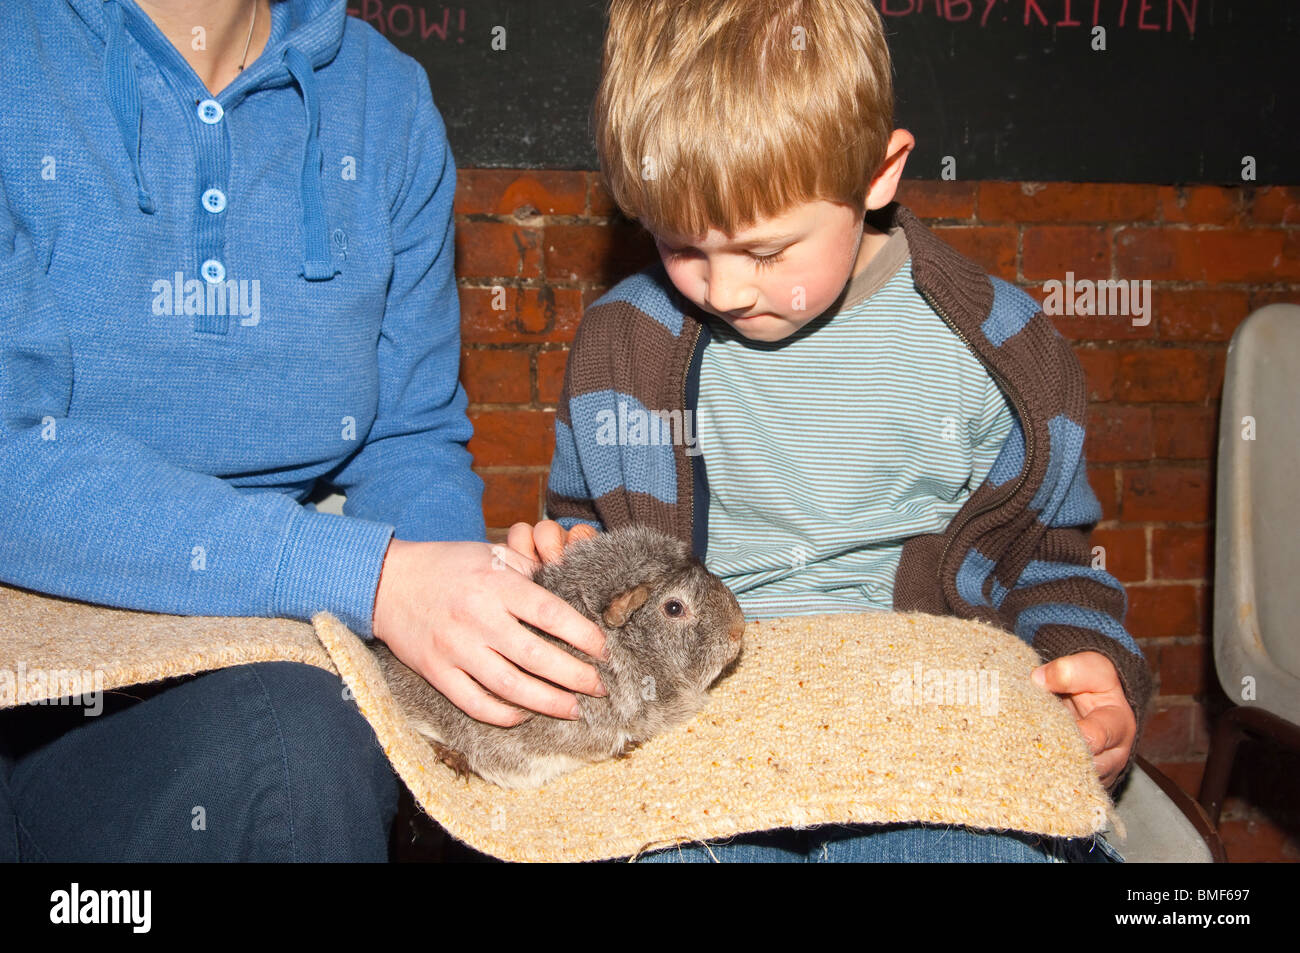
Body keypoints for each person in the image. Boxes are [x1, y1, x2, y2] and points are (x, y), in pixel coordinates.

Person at [507, 0, 1153, 862]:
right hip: (698, 727)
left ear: (878, 174)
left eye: (768, 251)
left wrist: (1094, 672)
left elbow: (1049, 561)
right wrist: (561, 565)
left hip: (929, 719)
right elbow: (593, 536)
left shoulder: (1002, 351)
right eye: (681, 246)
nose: (726, 289)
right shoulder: (622, 348)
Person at [0, 0, 605, 862]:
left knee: (301, 754)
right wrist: (374, 577)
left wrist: (478, 637)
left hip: (230, 683)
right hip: (25, 653)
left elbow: (407, 439)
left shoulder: (386, 102)